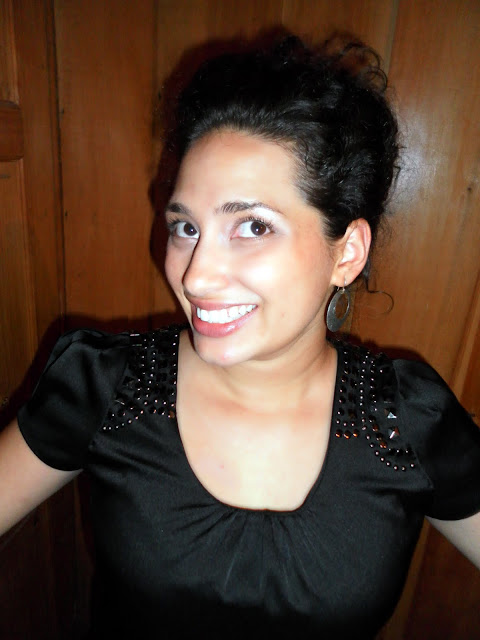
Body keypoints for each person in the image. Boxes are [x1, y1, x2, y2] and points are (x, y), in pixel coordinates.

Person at [1, 35, 479, 639]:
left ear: (347, 252)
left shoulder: (409, 422)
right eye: (185, 227)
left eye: (253, 226)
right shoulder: (102, 387)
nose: (195, 276)